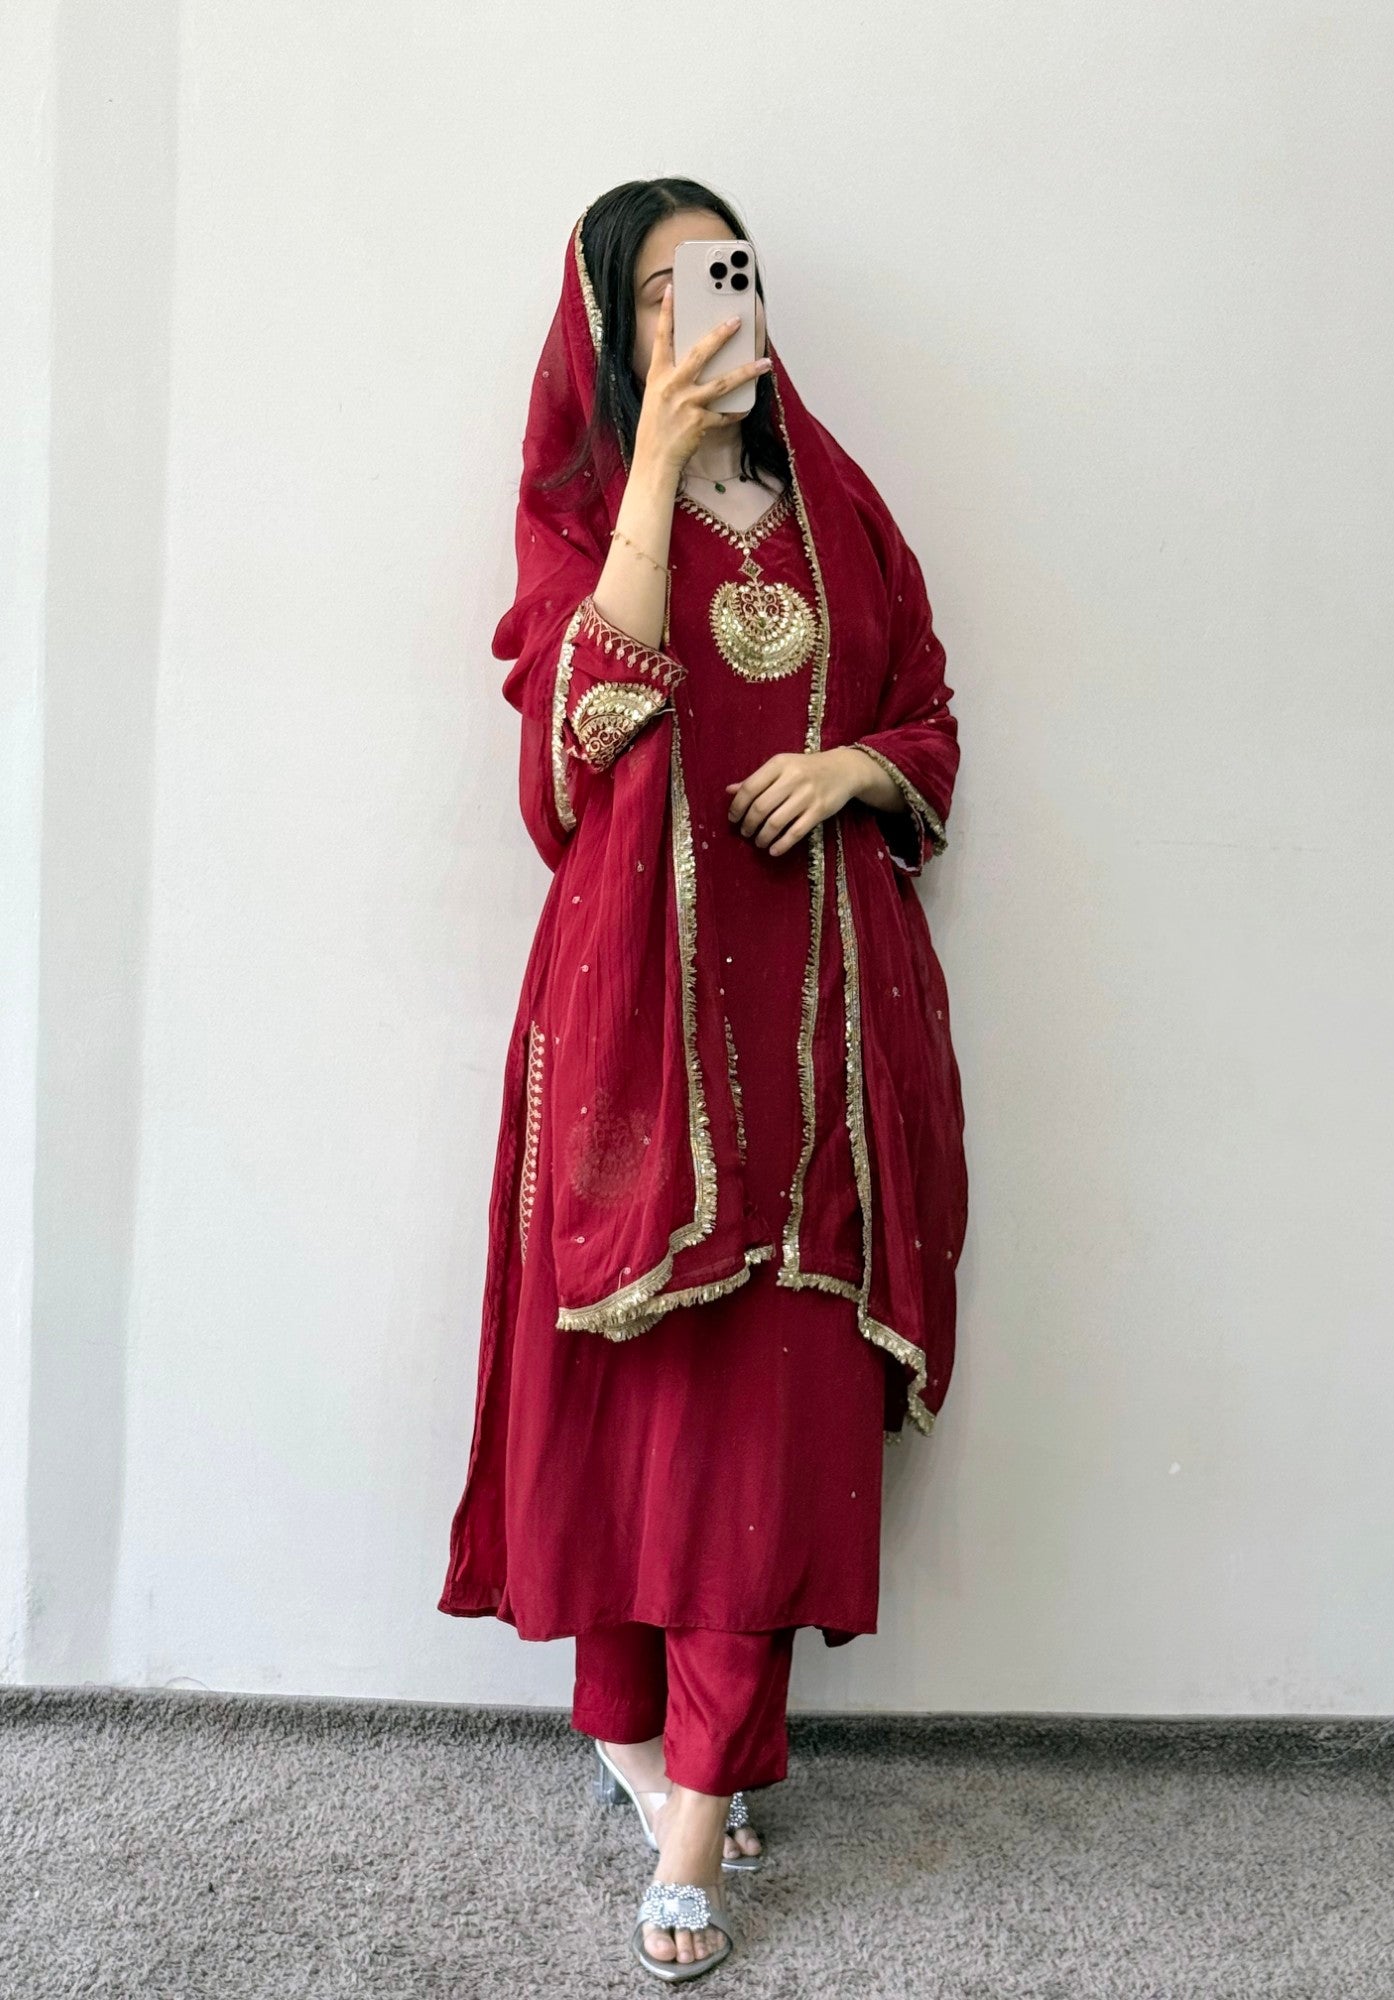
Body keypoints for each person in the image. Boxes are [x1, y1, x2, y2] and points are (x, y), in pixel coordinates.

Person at [438, 178, 968, 1981]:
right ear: (611, 323)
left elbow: (928, 710)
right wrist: (657, 462)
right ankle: (635, 1735)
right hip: (634, 1017)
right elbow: (582, 739)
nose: (708, 311)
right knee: (638, 1387)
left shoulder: (841, 510)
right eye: (664, 291)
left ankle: (693, 1822)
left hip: (815, 1011)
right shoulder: (583, 510)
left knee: (773, 1404)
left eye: (728, 275)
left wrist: (855, 773)